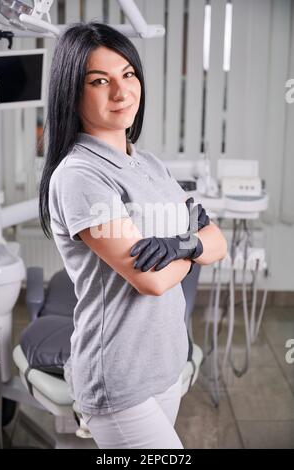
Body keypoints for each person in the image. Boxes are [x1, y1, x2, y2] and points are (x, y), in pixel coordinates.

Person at [39, 21, 227, 449]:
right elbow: (152, 280)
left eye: (128, 74)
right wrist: (194, 244)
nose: (121, 92)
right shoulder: (81, 175)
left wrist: (184, 244)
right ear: (72, 90)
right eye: (99, 81)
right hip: (118, 378)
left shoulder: (150, 166)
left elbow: (218, 242)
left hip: (165, 364)